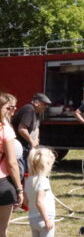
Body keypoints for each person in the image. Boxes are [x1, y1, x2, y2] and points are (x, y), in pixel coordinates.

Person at [0, 92, 24, 237]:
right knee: (2, 228)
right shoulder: (5, 130)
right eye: (8, 108)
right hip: (2, 183)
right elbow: (12, 163)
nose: (12, 111)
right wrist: (19, 189)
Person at [11, 93, 51, 176]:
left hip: (26, 145)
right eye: (44, 104)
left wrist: (36, 139)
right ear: (36, 103)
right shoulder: (29, 109)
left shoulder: (37, 112)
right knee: (20, 170)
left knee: (27, 170)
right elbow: (22, 129)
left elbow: (36, 127)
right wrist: (31, 141)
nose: (46, 107)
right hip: (19, 145)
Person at [24, 147, 56, 237]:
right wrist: (46, 220)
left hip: (32, 219)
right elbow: (39, 202)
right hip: (44, 219)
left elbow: (26, 202)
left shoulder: (28, 180)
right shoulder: (43, 181)